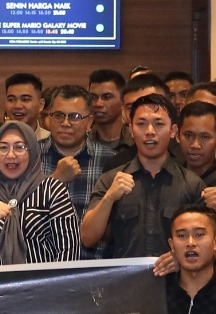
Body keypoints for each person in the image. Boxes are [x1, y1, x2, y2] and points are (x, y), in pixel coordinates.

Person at [82, 94, 199, 258]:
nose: (150, 132)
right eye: (141, 124)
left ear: (173, 131)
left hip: (176, 274)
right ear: (131, 130)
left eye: (158, 124)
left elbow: (208, 247)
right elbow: (87, 238)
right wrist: (109, 198)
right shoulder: (111, 180)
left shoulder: (192, 183)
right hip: (125, 274)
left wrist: (180, 259)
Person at [0, 121, 81, 266]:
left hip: (42, 280)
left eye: (19, 147)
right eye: (3, 147)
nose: (10, 155)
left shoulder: (52, 190)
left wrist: (53, 282)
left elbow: (69, 251)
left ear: (32, 151)